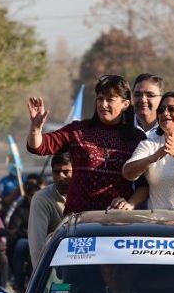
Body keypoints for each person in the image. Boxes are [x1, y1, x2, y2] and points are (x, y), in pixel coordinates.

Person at [26, 74, 143, 213]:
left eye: (110, 100)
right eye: (100, 99)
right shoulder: (78, 130)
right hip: (78, 223)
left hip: (117, 223)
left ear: (125, 104)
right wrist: (35, 128)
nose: (103, 104)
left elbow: (144, 185)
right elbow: (39, 147)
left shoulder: (136, 139)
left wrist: (129, 203)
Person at [28, 152, 71, 266]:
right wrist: (41, 279)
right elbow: (37, 246)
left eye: (66, 172)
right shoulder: (42, 199)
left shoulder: (89, 195)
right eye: (56, 172)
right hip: (55, 265)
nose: (60, 177)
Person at [7, 181, 40, 293]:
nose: (34, 198)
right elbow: (13, 228)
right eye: (32, 195)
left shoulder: (44, 208)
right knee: (20, 246)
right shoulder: (20, 210)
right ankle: (19, 281)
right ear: (27, 195)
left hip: (44, 239)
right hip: (25, 239)